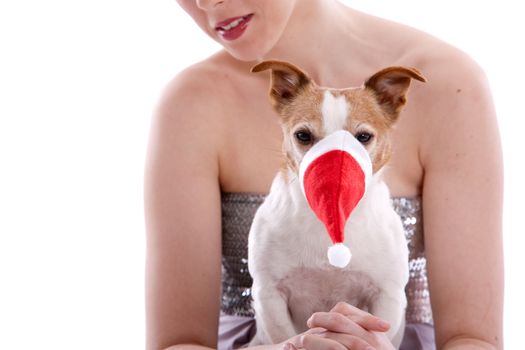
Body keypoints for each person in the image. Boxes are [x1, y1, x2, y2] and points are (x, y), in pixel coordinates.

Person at [144, 1, 504, 349]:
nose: (207, 3)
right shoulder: (190, 103)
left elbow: (473, 340)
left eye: (363, 138)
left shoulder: (449, 83)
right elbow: (179, 343)